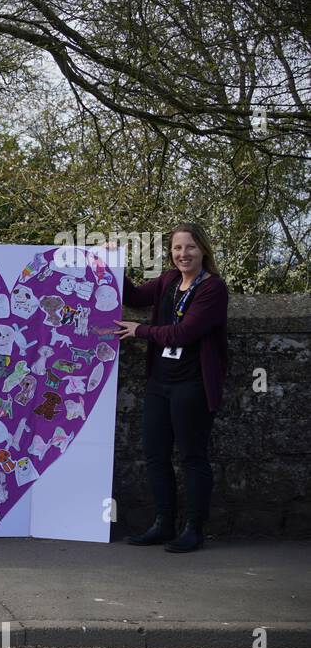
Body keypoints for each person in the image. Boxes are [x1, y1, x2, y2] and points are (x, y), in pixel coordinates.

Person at [116, 223, 229, 553]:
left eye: (190, 247)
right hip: (160, 383)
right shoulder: (168, 281)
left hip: (192, 385)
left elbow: (185, 333)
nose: (183, 254)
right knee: (155, 455)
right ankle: (163, 523)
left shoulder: (213, 289)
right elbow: (134, 297)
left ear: (203, 250)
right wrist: (114, 264)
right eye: (178, 248)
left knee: (193, 457)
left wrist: (141, 331)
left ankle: (193, 529)